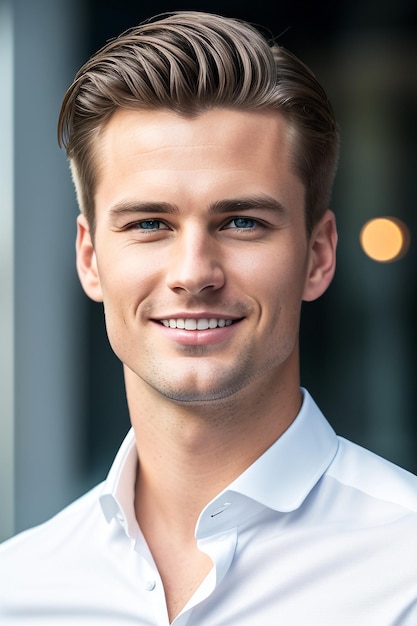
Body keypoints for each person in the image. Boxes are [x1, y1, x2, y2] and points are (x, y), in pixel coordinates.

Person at [1, 10, 416, 625]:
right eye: (149, 224)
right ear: (91, 260)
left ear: (318, 257)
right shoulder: (21, 589)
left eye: (242, 222)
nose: (194, 272)